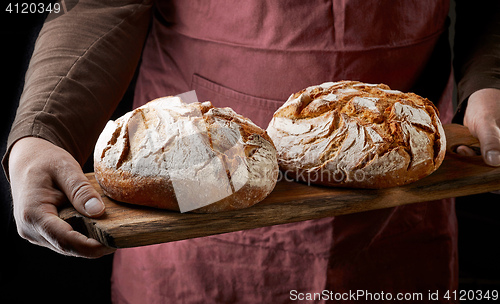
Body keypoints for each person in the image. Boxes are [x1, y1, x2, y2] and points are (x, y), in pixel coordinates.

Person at [5, 0, 500, 303]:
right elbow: (100, 3)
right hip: (188, 172)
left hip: (400, 180)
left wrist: (490, 80)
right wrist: (43, 129)